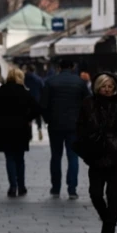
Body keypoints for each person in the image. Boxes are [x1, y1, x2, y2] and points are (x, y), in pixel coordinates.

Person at [75, 73, 117, 233]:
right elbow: (80, 125)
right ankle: (107, 220)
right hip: (96, 154)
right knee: (95, 193)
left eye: (111, 86)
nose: (107, 89)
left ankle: (110, 230)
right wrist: (85, 143)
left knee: (113, 193)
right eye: (104, 86)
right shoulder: (88, 103)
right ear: (98, 87)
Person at [41, 58, 91, 199]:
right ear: (73, 67)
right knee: (73, 157)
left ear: (59, 67)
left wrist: (48, 120)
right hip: (74, 126)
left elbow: (43, 105)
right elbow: (88, 103)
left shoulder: (50, 82)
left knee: (56, 157)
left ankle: (56, 188)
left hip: (55, 125)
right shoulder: (80, 82)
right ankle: (72, 189)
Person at [0, 68, 41, 197]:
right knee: (20, 158)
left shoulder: (1, 91)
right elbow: (37, 108)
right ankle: (22, 186)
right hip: (21, 128)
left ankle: (12, 186)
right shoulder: (24, 92)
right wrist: (28, 118)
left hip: (5, 129)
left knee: (9, 158)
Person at [23, 64, 46, 141]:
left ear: (28, 70)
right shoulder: (39, 79)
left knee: (28, 118)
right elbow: (42, 89)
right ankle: (39, 129)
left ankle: (30, 135)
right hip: (37, 101)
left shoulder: (24, 78)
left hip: (27, 101)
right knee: (38, 117)